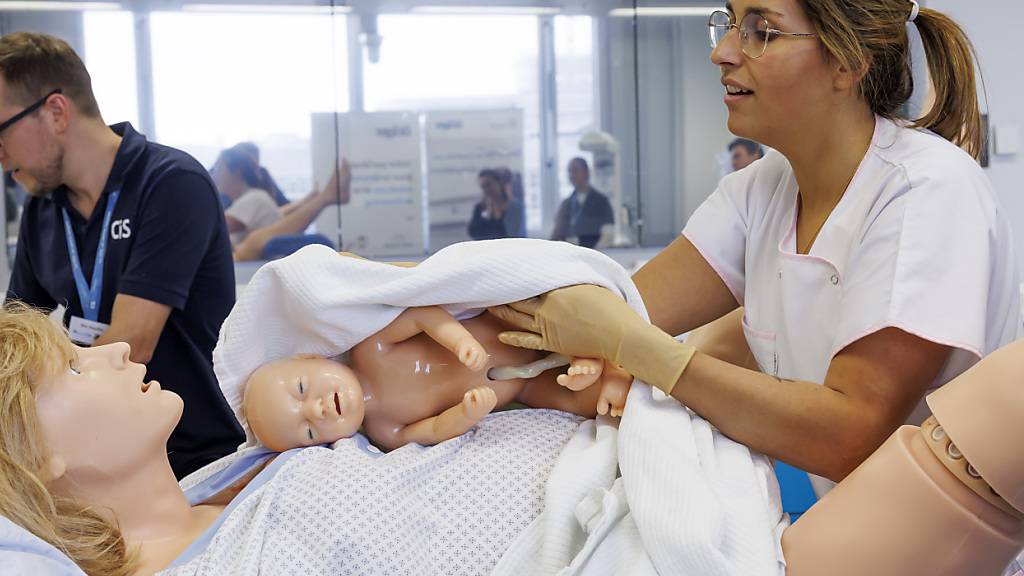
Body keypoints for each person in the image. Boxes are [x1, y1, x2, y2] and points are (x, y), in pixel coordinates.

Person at [489, 0, 1020, 486]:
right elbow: (619, 307)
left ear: (846, 63)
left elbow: (848, 433)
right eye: (729, 24)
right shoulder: (761, 191)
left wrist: (637, 349)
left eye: (761, 31)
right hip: (848, 529)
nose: (722, 53)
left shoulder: (924, 190)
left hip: (951, 548)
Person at [0, 303, 581, 574]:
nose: (116, 348)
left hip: (576, 430)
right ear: (38, 457)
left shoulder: (217, 483)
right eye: (76, 368)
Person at [0, 32, 242, 478]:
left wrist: (42, 396)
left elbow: (132, 344)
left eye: (1, 131)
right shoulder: (42, 207)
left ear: (55, 112)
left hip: (196, 457)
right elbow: (17, 333)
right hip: (99, 453)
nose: (0, 155)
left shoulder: (171, 184)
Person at [243, 307, 629, 452]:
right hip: (519, 386)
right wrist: (465, 413)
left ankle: (592, 354)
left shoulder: (370, 349)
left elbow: (423, 315)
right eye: (309, 431)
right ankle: (591, 373)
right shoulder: (386, 431)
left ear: (312, 358)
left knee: (560, 321)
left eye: (302, 389)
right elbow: (432, 431)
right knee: (579, 403)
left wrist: (458, 340)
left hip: (503, 327)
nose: (319, 408)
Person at [210, 146, 351, 261]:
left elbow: (213, 227)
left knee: (253, 242)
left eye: (219, 168)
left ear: (236, 172)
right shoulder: (250, 199)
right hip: (237, 261)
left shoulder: (253, 198)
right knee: (254, 241)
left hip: (242, 263)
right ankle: (324, 197)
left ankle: (325, 198)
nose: (214, 174)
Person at [550, 157, 614, 249]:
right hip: (570, 255)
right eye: (569, 171)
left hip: (595, 253)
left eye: (575, 170)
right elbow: (557, 233)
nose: (571, 175)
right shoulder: (566, 204)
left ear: (586, 173)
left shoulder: (601, 202)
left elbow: (608, 234)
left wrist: (595, 252)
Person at [467, 168, 525, 240]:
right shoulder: (480, 207)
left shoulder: (513, 207)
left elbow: (512, 233)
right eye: (483, 187)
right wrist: (487, 214)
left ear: (498, 183)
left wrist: (498, 213)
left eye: (488, 185)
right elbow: (473, 232)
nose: (486, 190)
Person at [232, 141, 289, 206]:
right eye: (248, 161)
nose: (252, 165)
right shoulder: (230, 181)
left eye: (255, 163)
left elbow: (282, 201)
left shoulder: (263, 173)